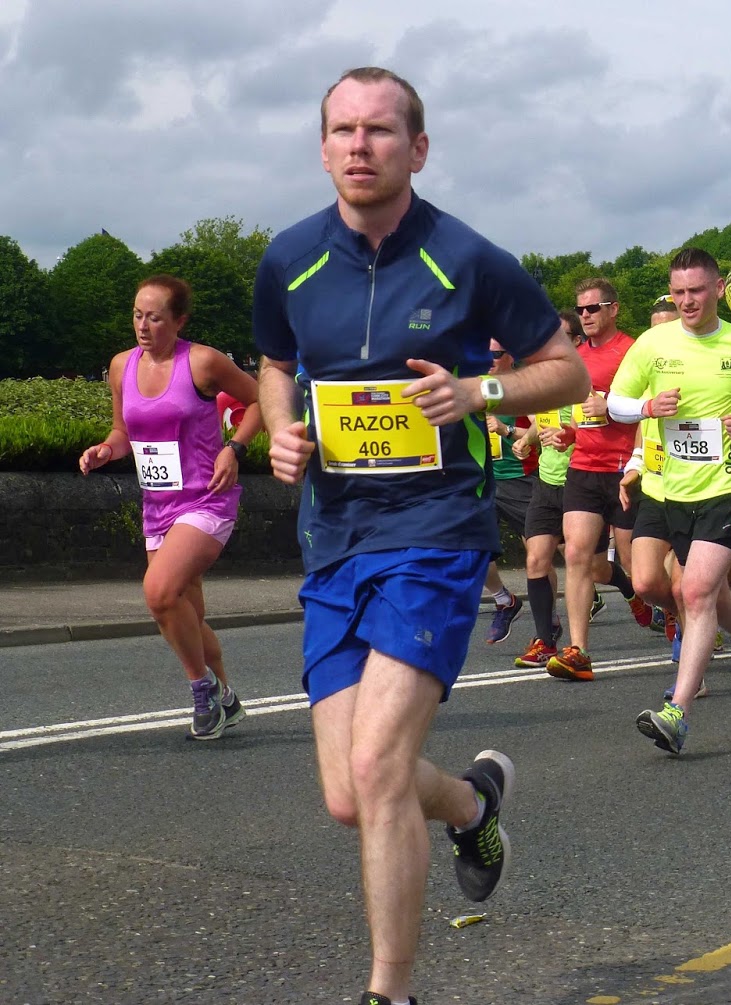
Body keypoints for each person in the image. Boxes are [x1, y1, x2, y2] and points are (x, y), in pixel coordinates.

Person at [252, 66, 589, 1005]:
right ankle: (476, 805)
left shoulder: (468, 259)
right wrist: (282, 426)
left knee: (377, 762)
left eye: (382, 131)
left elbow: (564, 372)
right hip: (335, 536)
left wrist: (479, 390)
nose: (361, 146)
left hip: (436, 530)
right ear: (323, 148)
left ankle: (389, 990)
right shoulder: (289, 260)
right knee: (350, 795)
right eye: (344, 131)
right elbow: (276, 364)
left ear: (419, 148)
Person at [612, 247, 731, 756]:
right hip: (664, 485)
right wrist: (646, 406)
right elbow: (617, 404)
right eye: (680, 292)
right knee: (647, 582)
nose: (687, 301)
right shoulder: (653, 342)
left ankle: (678, 712)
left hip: (725, 485)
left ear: (717, 290)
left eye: (696, 291)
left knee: (695, 592)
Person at [80, 274, 260, 740]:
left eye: (155, 317)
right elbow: (122, 432)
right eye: (138, 315)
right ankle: (227, 697)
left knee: (159, 593)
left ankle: (203, 692)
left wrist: (234, 448)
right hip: (158, 505)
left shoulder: (202, 362)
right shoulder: (122, 365)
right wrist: (106, 449)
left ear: (179, 320)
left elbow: (261, 399)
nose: (143, 325)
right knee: (186, 614)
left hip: (206, 499)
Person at [544, 278, 653, 680]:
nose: (585, 316)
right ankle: (579, 651)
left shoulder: (634, 351)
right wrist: (569, 434)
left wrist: (610, 408)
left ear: (613, 309)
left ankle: (674, 618)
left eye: (593, 308)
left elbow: (650, 410)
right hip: (585, 466)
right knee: (576, 554)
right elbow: (579, 413)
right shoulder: (575, 358)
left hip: (626, 470)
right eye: (581, 309)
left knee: (637, 568)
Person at [512, 311, 586, 668]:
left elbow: (599, 426)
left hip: (581, 480)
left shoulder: (584, 380)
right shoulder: (545, 380)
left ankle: (634, 592)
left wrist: (573, 435)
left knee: (595, 567)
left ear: (576, 342)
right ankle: (546, 641)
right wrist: (526, 440)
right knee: (536, 559)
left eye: (559, 337)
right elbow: (542, 420)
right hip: (546, 481)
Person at [480, 337, 531, 644]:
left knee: (540, 557)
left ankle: (548, 624)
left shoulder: (525, 386)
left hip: (520, 479)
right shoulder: (474, 384)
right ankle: (504, 600)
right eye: (484, 353)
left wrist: (508, 430)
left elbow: (543, 428)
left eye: (496, 354)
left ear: (511, 356)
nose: (490, 359)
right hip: (485, 479)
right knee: (474, 550)